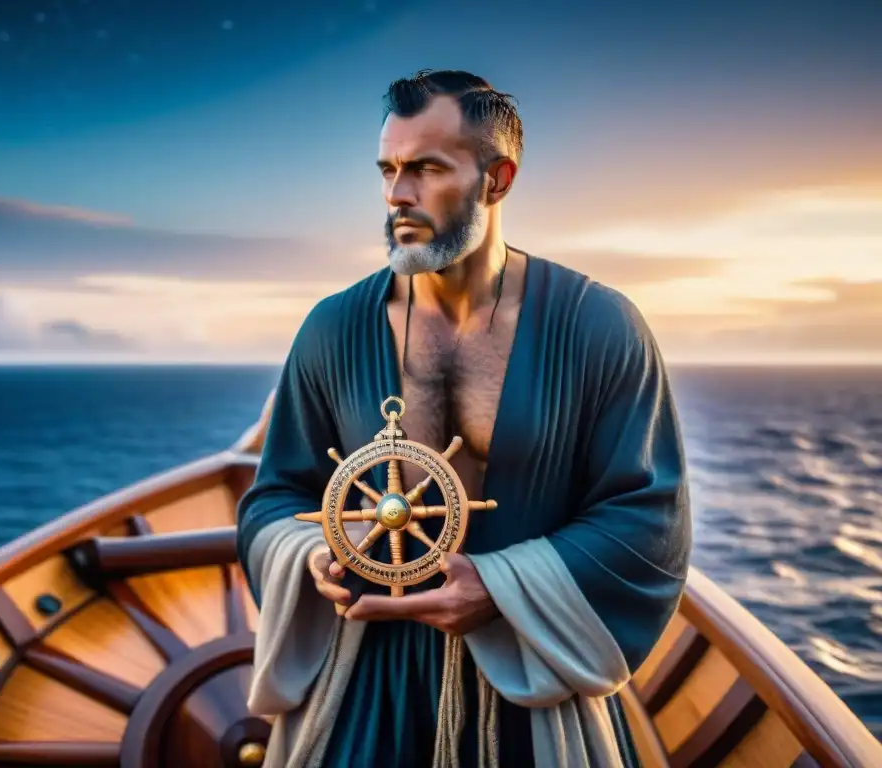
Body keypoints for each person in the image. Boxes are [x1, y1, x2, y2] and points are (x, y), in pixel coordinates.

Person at [236, 69, 692, 768]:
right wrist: (315, 556)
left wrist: (500, 588)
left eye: (425, 168)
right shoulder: (331, 330)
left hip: (531, 686)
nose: (396, 194)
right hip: (363, 684)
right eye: (387, 169)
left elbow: (647, 515)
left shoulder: (599, 327)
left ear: (497, 178)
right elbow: (276, 496)